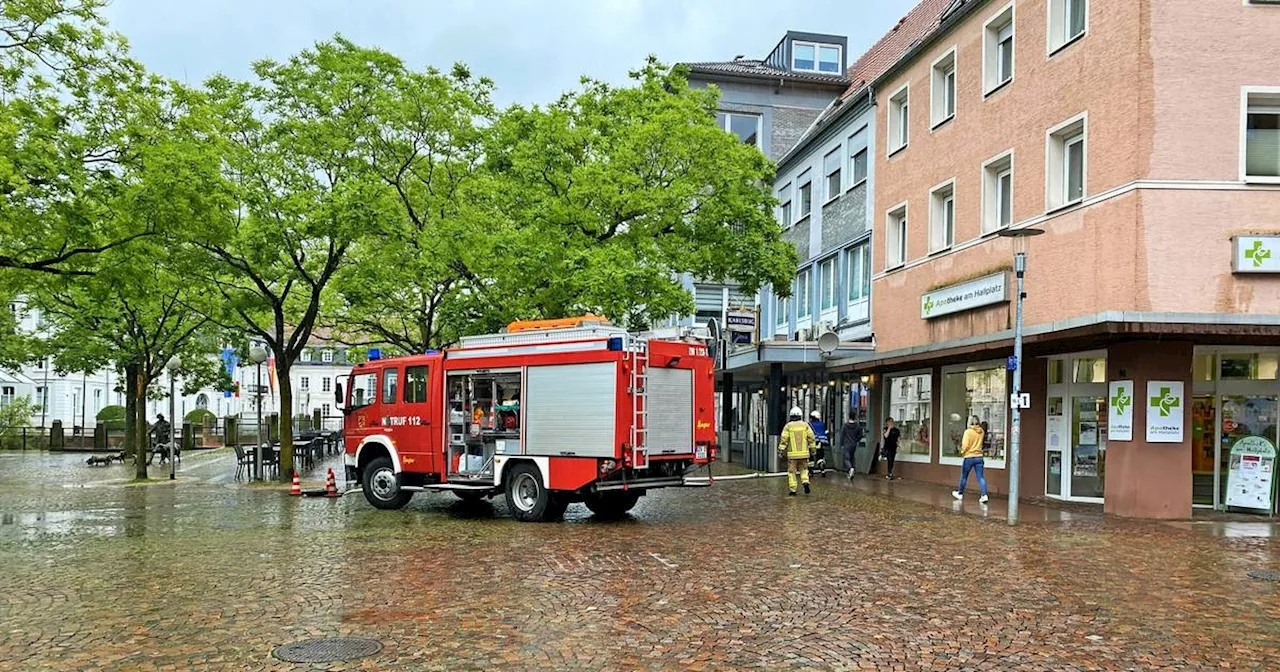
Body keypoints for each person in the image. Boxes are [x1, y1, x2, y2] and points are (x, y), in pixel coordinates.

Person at [779, 406, 816, 496]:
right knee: (804, 470)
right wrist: (813, 449)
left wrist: (781, 450)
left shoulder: (788, 426)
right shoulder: (805, 425)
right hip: (804, 454)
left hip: (792, 455)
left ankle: (793, 490)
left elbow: (784, 439)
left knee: (792, 472)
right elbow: (811, 438)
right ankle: (805, 481)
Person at [952, 415, 989, 503]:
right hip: (979, 456)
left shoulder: (968, 432)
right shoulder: (981, 432)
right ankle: (984, 495)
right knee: (980, 477)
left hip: (969, 457)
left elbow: (965, 445)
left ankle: (960, 493)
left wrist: (962, 451)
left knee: (964, 476)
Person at [840, 413, 864, 479]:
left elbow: (842, 435)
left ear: (849, 417)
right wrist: (856, 440)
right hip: (854, 444)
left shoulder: (845, 426)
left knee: (846, 458)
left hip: (847, 443)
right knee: (852, 457)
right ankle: (851, 471)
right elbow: (861, 435)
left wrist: (841, 443)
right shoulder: (858, 426)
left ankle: (850, 469)